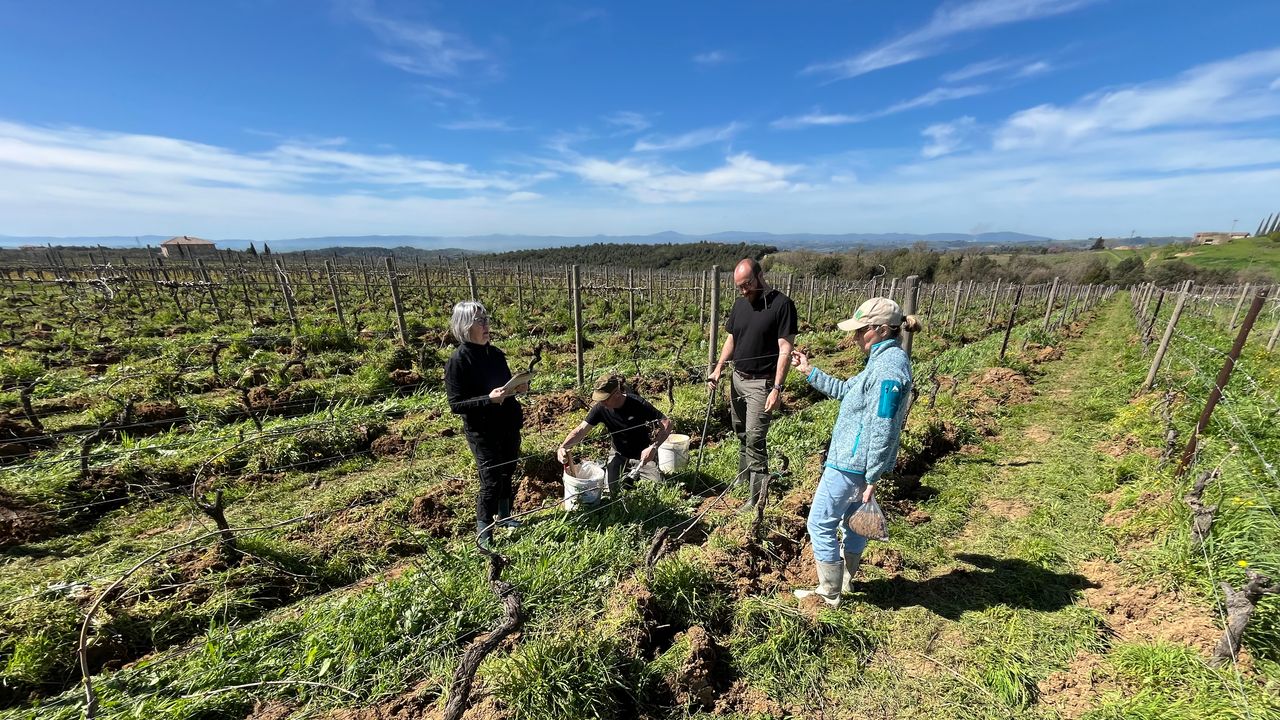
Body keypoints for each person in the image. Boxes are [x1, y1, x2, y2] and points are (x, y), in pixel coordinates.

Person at [791, 297, 919, 608]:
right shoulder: (881, 361)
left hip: (851, 462)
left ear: (881, 330)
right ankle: (846, 580)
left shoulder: (889, 369)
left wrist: (872, 475)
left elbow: (883, 426)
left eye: (861, 330)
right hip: (857, 460)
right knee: (853, 521)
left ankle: (829, 592)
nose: (855, 337)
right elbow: (847, 391)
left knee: (819, 522)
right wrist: (809, 371)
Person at [706, 258, 797, 510]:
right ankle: (743, 477)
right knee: (741, 433)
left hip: (761, 384)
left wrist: (777, 388)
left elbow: (785, 349)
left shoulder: (782, 305)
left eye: (747, 285)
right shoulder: (740, 305)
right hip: (737, 379)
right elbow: (732, 339)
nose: (744, 291)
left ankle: (756, 499)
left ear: (760, 276)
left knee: (756, 440)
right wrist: (718, 368)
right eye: (739, 287)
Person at [444, 300, 528, 549]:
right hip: (483, 431)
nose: (486, 325)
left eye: (486, 320)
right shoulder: (458, 361)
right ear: (465, 326)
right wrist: (487, 400)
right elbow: (456, 404)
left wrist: (518, 387)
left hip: (508, 423)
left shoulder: (496, 354)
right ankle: (484, 534)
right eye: (479, 321)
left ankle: (505, 516)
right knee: (491, 480)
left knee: (508, 470)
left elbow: (505, 385)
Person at [557, 374, 674, 496]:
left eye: (605, 399)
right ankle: (624, 475)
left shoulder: (638, 404)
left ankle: (636, 474)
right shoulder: (600, 408)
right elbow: (580, 430)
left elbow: (667, 423)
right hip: (618, 453)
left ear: (617, 393)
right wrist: (563, 447)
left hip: (642, 455)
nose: (602, 403)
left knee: (659, 487)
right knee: (612, 491)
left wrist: (653, 447)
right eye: (600, 399)